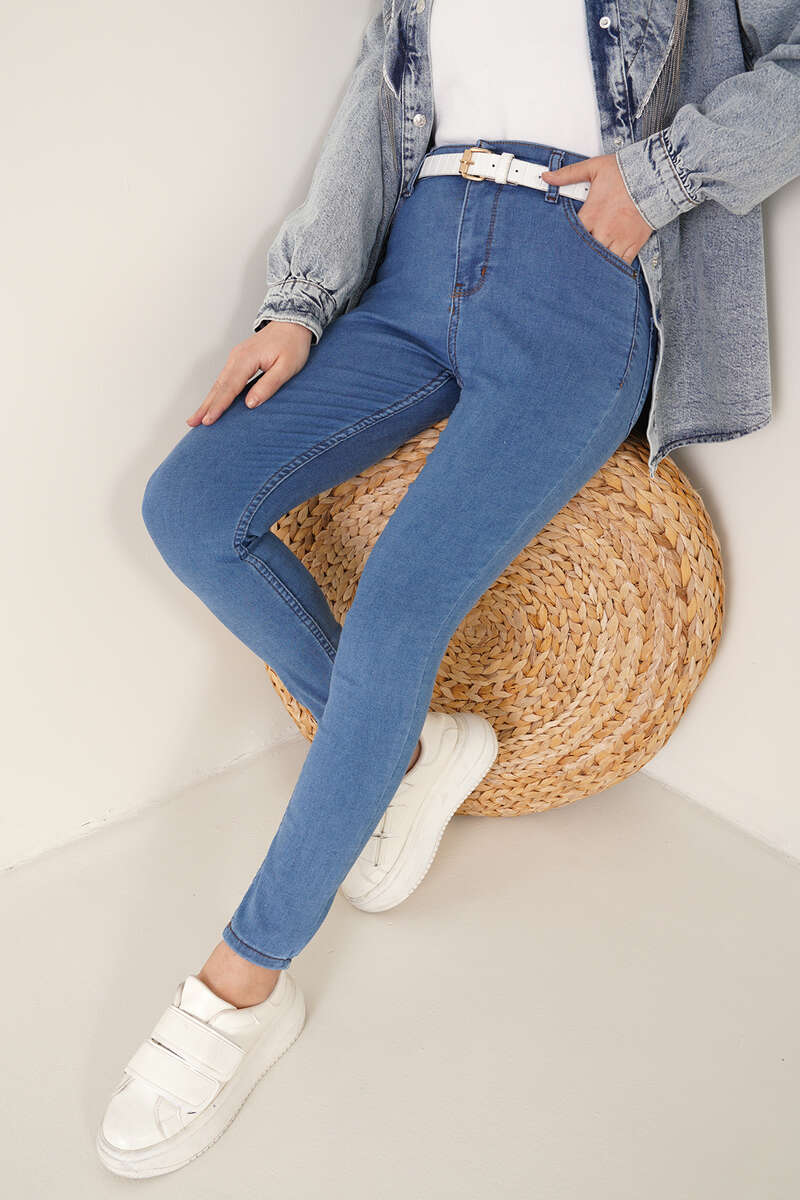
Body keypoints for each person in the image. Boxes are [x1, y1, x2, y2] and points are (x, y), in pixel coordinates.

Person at [96, 0, 800, 1178]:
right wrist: (298, 303)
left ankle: (240, 988)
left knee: (395, 614)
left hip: (577, 282)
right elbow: (375, 114)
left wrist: (663, 177)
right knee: (190, 504)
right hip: (413, 271)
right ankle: (410, 746)